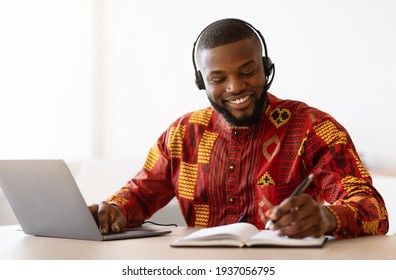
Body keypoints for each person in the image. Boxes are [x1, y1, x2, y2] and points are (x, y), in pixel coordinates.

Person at [89, 18, 389, 239]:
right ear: (201, 83)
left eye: (247, 72)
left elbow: (373, 210)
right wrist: (111, 210)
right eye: (218, 79)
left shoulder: (314, 128)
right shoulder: (183, 134)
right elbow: (139, 196)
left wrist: (326, 217)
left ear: (266, 68)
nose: (235, 87)